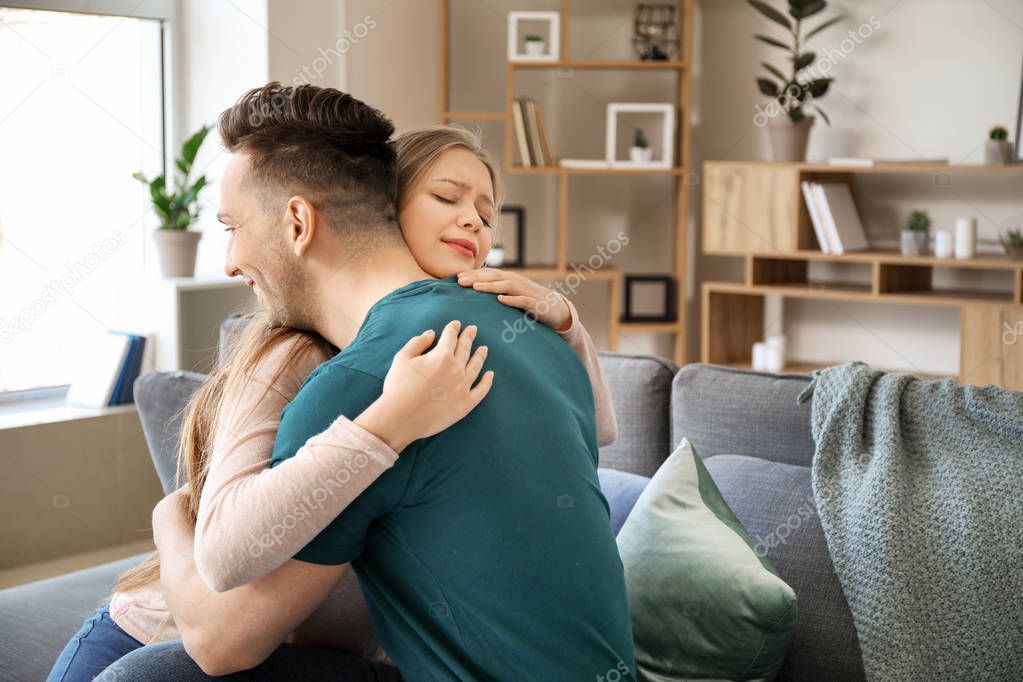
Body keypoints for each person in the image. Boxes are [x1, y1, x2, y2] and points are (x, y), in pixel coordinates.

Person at [47, 90, 620, 682]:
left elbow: (600, 428)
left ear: (298, 223)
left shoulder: (445, 353)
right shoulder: (328, 365)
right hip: (155, 624)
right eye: (445, 197)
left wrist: (566, 322)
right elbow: (221, 587)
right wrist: (171, 515)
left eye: (232, 228)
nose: (228, 260)